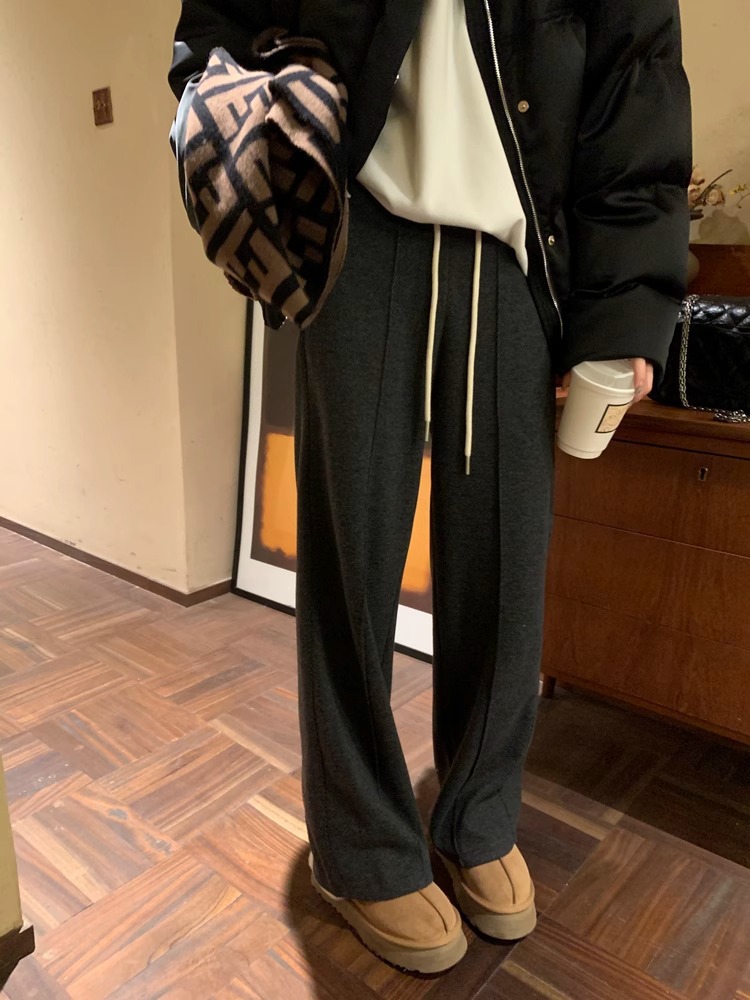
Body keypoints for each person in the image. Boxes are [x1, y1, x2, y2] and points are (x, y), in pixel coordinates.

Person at [169, 0, 691, 974]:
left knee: (508, 561)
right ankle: (360, 846)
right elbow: (216, 28)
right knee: (353, 562)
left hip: (520, 249)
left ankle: (479, 812)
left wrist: (625, 307)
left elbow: (637, 79)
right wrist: (225, 118)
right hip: (356, 229)